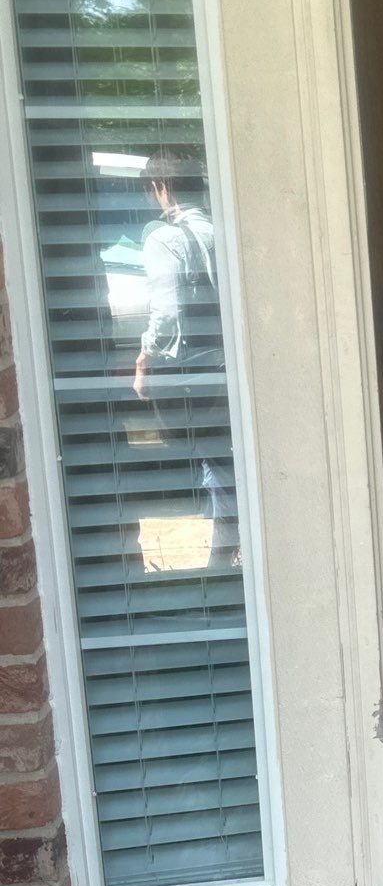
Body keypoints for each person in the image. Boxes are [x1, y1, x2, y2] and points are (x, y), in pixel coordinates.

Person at [132, 151, 240, 571]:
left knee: (213, 460)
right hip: (222, 361)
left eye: (151, 190)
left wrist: (144, 358)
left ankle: (221, 556)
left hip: (194, 370)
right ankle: (225, 549)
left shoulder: (163, 238)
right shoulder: (217, 228)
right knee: (222, 458)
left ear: (162, 188)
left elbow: (166, 312)